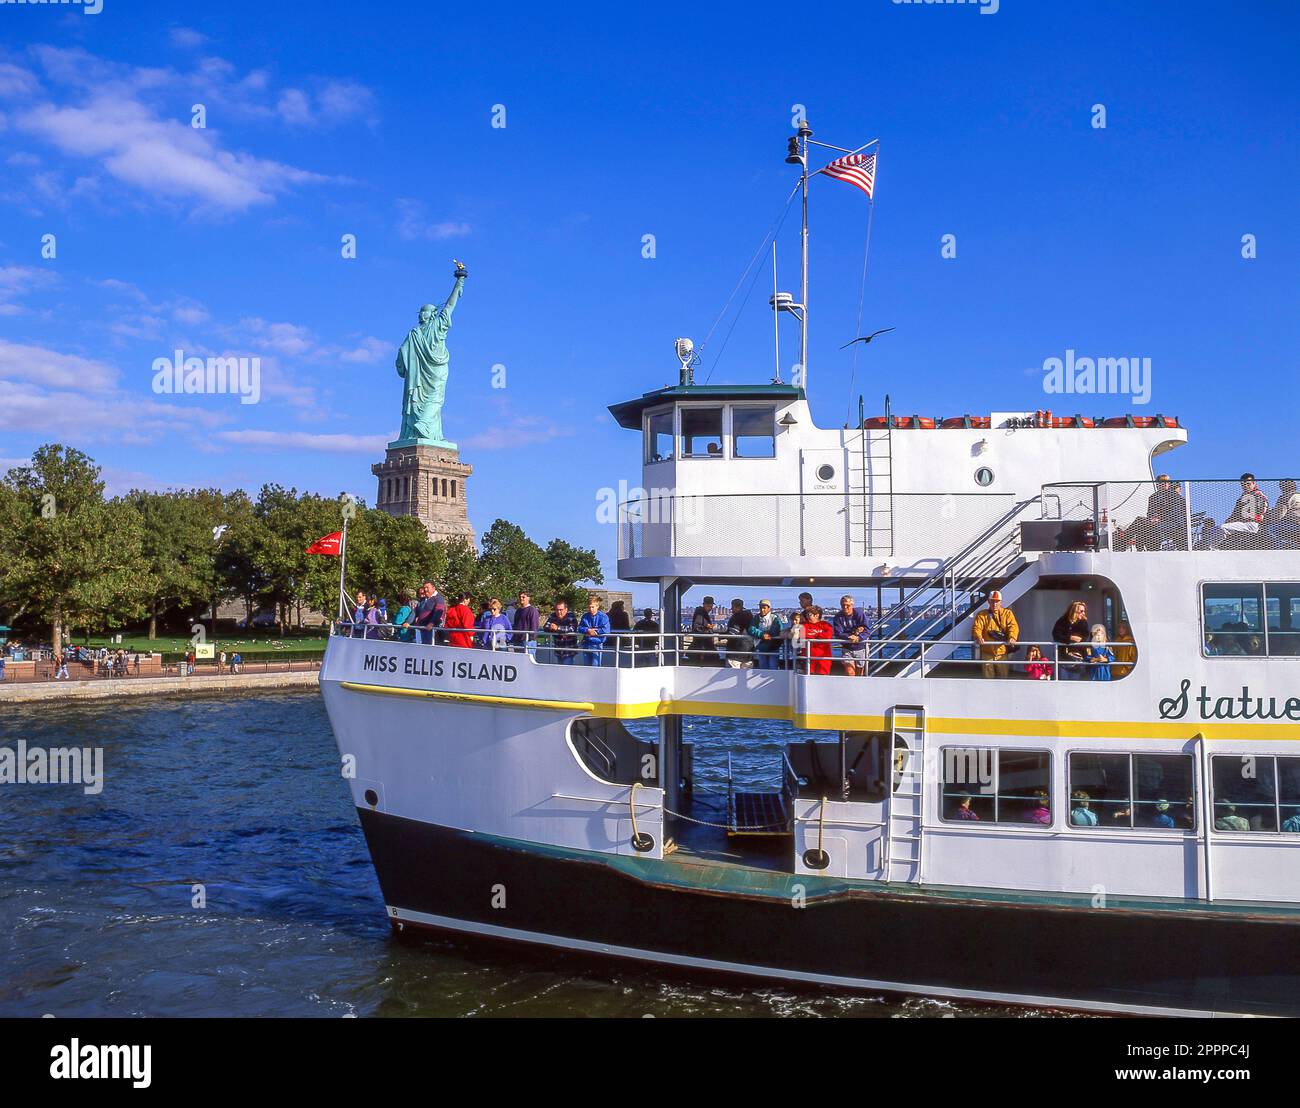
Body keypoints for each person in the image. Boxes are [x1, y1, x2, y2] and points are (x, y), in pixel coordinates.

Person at [1122, 474, 1188, 550]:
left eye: (1166, 482)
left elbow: (1176, 512)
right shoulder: (1153, 497)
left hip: (1174, 525)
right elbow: (1150, 512)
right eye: (1161, 483)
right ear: (1157, 484)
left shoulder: (1175, 496)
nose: (1164, 484)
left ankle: (1123, 541)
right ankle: (1139, 550)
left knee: (1140, 521)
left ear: (1169, 484)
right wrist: (1152, 518)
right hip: (1159, 523)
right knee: (1140, 526)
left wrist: (1159, 519)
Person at [972, 590, 1019, 679]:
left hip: (1002, 653)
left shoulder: (1007, 614)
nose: (995, 604)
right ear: (988, 601)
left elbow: (1013, 626)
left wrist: (1012, 637)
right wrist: (978, 637)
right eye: (992, 601)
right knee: (987, 679)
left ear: (1001, 602)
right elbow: (977, 627)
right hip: (987, 653)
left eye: (997, 601)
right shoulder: (982, 615)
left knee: (1003, 678)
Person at [1220, 473, 1270, 547]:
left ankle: (1212, 548)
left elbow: (1262, 512)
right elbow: (1234, 514)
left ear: (1254, 483)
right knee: (1218, 528)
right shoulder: (1242, 498)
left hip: (1253, 525)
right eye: (1243, 485)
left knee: (1222, 528)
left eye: (1248, 484)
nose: (1246, 486)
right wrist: (1228, 521)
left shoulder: (1259, 496)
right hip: (1242, 524)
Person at [832, 594, 870, 676]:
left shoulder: (859, 614)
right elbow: (838, 633)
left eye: (847, 605)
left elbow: (866, 630)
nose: (845, 607)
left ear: (852, 605)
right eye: (843, 605)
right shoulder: (838, 617)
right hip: (847, 647)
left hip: (860, 647)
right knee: (850, 672)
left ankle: (858, 688)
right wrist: (851, 635)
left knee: (860, 672)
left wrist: (859, 637)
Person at [1052, 600, 1090, 680]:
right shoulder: (1062, 621)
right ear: (1075, 610)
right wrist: (1070, 638)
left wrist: (1080, 640)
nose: (1083, 613)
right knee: (1063, 682)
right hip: (1063, 657)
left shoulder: (1083, 622)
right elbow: (1056, 635)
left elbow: (1086, 636)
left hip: (1078, 658)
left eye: (1084, 611)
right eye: (1081, 611)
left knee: (1075, 682)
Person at [749, 600, 784, 671]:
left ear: (769, 608)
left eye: (764, 608)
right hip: (761, 647)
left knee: (773, 667)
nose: (762, 610)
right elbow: (751, 629)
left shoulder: (774, 618)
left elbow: (780, 630)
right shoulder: (756, 618)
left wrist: (768, 634)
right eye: (760, 607)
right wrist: (762, 634)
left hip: (773, 647)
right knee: (763, 668)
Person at [578, 597, 611, 666]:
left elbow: (606, 630)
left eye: (592, 607)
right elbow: (580, 628)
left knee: (595, 667)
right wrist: (588, 630)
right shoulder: (585, 616)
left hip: (597, 644)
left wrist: (596, 632)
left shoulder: (603, 617)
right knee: (586, 667)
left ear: (597, 606)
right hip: (586, 644)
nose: (591, 609)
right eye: (589, 607)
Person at [1267, 478, 1300, 548]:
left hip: (1293, 524)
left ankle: (1281, 547)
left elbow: (1279, 515)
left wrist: (1269, 515)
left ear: (1283, 487)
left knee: (1269, 528)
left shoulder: (1286, 496)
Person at [802, 605, 834, 676]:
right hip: (809, 658)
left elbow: (828, 636)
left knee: (823, 678)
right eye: (806, 615)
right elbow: (803, 636)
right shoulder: (804, 626)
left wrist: (814, 637)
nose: (807, 616)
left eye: (809, 615)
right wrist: (819, 638)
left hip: (824, 658)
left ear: (816, 615)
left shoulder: (826, 625)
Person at [545, 600, 580, 664]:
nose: (558, 612)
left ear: (566, 609)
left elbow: (572, 628)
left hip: (569, 649)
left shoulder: (571, 616)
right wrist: (553, 629)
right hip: (558, 649)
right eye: (557, 610)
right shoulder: (553, 615)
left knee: (567, 670)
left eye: (561, 610)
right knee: (560, 670)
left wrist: (557, 628)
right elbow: (546, 627)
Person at [411, 581, 447, 645]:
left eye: (427, 587)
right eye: (424, 587)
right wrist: (408, 622)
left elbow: (438, 612)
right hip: (421, 629)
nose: (425, 589)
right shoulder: (423, 600)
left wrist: (432, 623)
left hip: (431, 630)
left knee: (430, 651)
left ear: (433, 588)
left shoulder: (438, 599)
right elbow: (415, 611)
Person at [724, 599, 755, 669]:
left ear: (735, 607)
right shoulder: (750, 617)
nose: (731, 610)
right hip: (748, 652)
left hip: (735, 652)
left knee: (731, 675)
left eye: (732, 607)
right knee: (745, 676)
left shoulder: (735, 618)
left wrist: (721, 636)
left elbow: (733, 633)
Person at [689, 596, 719, 666]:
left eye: (711, 606)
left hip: (702, 646)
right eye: (709, 606)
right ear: (704, 605)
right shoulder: (701, 613)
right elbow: (697, 628)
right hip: (702, 647)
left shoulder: (701, 613)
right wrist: (708, 629)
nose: (710, 608)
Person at [608, 600, 632, 666]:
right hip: (621, 639)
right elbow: (627, 627)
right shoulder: (624, 614)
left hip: (609, 639)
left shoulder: (608, 614)